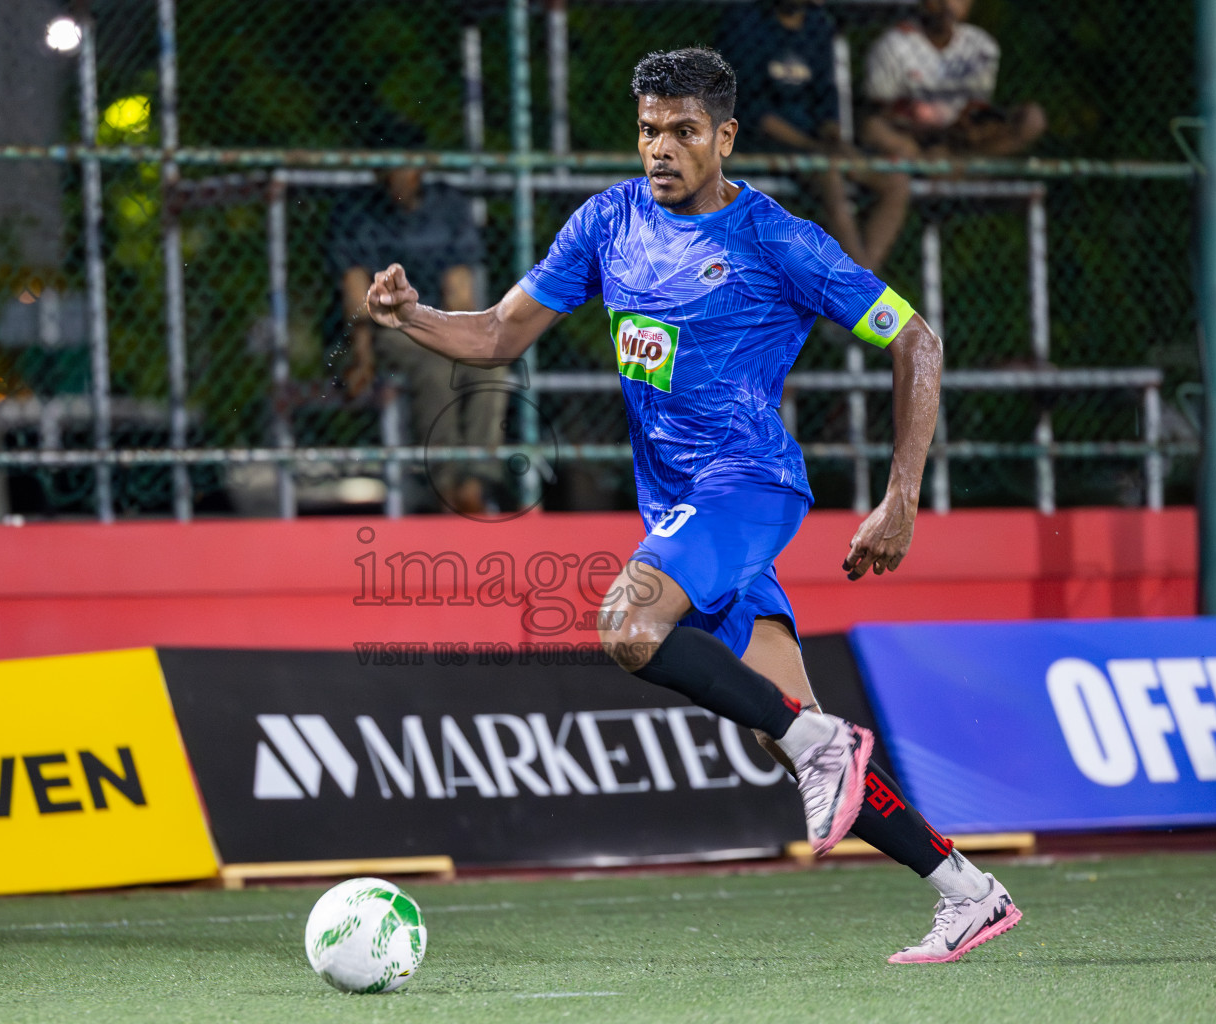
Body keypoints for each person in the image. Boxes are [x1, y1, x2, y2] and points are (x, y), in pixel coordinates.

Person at [363, 47, 1022, 964]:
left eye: (682, 131)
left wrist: (899, 496)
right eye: (648, 130)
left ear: (725, 137)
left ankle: (822, 745)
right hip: (681, 509)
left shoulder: (778, 240)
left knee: (628, 625)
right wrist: (413, 317)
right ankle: (969, 892)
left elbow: (917, 339)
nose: (660, 148)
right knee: (787, 736)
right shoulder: (608, 221)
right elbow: (500, 333)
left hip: (748, 484)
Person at [329, 136, 505, 515]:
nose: (400, 175)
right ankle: (446, 485)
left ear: (421, 167)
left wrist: (464, 339)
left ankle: (474, 481)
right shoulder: (357, 213)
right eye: (391, 166)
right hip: (390, 327)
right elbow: (358, 299)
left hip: (438, 323)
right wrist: (362, 356)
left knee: (491, 365)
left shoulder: (447, 207)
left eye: (406, 164)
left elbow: (460, 293)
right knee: (435, 368)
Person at [721, 0, 909, 273]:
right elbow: (752, 112)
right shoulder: (746, 23)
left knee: (895, 181)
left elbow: (826, 102)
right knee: (830, 173)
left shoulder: (818, 26)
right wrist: (812, 146)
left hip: (818, 146)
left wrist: (833, 139)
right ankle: (860, 285)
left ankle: (860, 280)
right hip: (767, 143)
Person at [861, 0, 1046, 160]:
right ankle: (935, 167)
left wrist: (970, 127)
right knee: (875, 130)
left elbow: (977, 106)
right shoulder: (893, 44)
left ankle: (966, 165)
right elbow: (881, 112)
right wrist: (924, 125)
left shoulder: (981, 45)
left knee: (1032, 119)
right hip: (914, 137)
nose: (948, 4)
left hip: (961, 138)